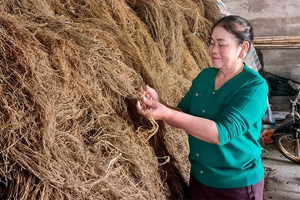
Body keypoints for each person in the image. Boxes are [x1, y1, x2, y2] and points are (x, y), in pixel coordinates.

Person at [137, 15, 268, 200]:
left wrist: (166, 113)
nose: (213, 49)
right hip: (200, 178)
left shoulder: (254, 86)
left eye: (221, 44)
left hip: (236, 185)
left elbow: (219, 133)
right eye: (211, 42)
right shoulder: (205, 76)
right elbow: (182, 115)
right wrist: (160, 104)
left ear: (243, 48)